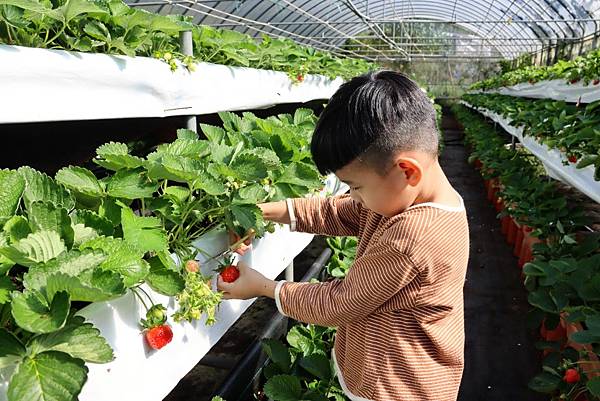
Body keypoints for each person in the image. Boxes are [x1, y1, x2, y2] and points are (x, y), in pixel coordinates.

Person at [217, 70, 469, 401]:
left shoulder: (415, 236)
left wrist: (265, 287)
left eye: (356, 186)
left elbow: (340, 302)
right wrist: (266, 211)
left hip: (398, 388)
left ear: (407, 170)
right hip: (392, 373)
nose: (353, 196)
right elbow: (341, 212)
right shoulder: (413, 198)